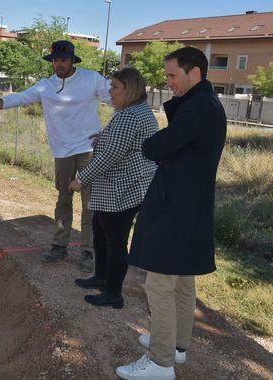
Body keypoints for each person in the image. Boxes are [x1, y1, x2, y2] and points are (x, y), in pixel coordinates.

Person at [115, 47, 227, 380]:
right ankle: (177, 346)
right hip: (189, 206)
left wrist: (153, 142)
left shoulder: (198, 108)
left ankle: (161, 362)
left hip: (178, 208)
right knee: (182, 281)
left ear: (195, 73)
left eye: (172, 75)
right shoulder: (205, 105)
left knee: (159, 285)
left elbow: (156, 146)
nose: (168, 83)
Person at [0, 40, 110, 272]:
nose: (59, 64)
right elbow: (19, 98)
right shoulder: (46, 86)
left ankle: (88, 251)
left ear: (73, 60)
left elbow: (117, 98)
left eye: (63, 59)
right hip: (62, 151)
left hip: (88, 150)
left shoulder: (92, 79)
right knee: (63, 199)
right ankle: (59, 245)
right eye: (55, 60)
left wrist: (118, 125)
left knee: (90, 203)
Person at [69, 67, 158, 309]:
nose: (110, 92)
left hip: (121, 190)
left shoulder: (129, 116)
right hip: (123, 188)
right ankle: (101, 277)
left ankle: (113, 293)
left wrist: (81, 179)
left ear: (129, 89)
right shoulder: (136, 111)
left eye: (115, 87)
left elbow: (111, 155)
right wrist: (103, 137)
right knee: (100, 232)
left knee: (116, 242)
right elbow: (120, 145)